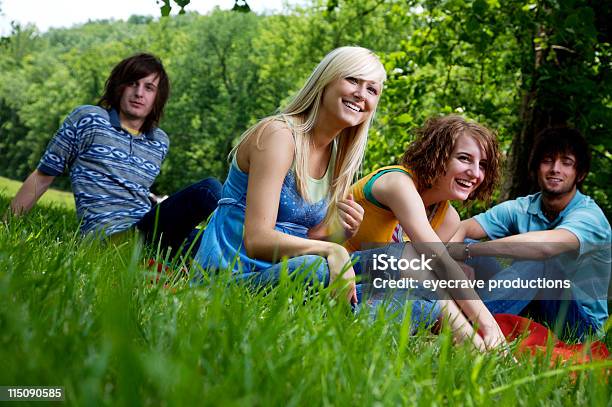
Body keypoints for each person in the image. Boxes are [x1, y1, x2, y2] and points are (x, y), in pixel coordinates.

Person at [194, 46, 384, 304]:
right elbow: (257, 239)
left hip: (283, 270)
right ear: (326, 80)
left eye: (372, 89)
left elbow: (304, 238)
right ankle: (357, 313)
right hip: (234, 275)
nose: (361, 94)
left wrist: (337, 232)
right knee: (317, 270)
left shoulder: (339, 158)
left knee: (393, 265)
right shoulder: (279, 135)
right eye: (352, 79)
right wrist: (332, 249)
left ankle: (360, 310)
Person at [8, 52, 222, 253]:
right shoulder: (88, 119)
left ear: (158, 97)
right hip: (109, 239)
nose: (139, 93)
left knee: (219, 248)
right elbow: (43, 176)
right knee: (208, 190)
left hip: (146, 229)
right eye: (132, 84)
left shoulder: (159, 141)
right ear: (119, 87)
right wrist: (6, 227)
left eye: (149, 87)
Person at [343, 115, 507, 350]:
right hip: (339, 272)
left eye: (482, 165)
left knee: (424, 288)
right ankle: (476, 348)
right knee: (411, 256)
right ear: (436, 155)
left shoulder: (449, 218)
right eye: (464, 158)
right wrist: (489, 326)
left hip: (374, 292)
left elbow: (427, 284)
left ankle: (477, 351)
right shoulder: (397, 182)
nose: (475, 173)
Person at [450, 127, 611, 339]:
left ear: (579, 173)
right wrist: (455, 258)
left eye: (567, 162)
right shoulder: (524, 207)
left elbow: (545, 247)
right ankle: (437, 311)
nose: (555, 169)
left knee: (541, 261)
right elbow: (462, 227)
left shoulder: (589, 216)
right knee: (465, 243)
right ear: (536, 168)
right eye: (547, 160)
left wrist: (470, 251)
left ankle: (468, 330)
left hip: (580, 325)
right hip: (534, 308)